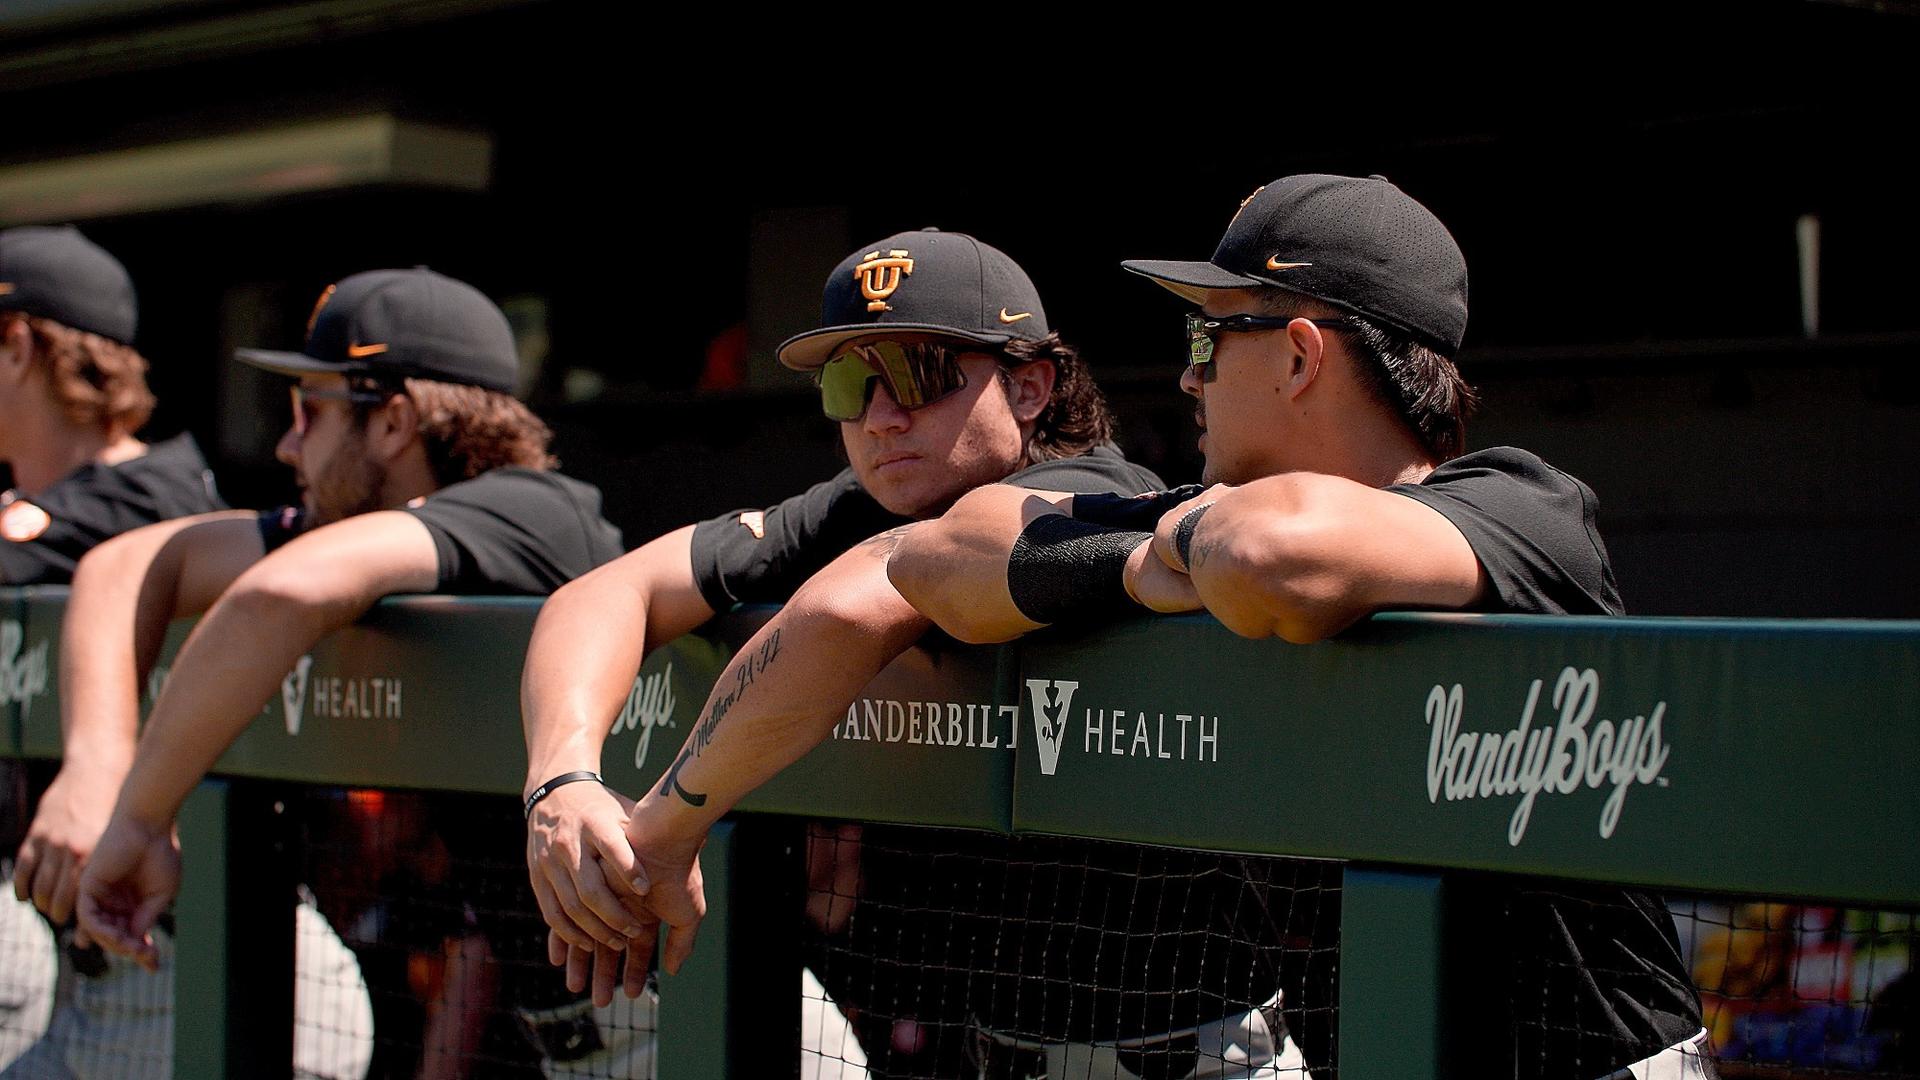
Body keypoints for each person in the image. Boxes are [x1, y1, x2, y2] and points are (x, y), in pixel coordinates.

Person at [887, 174, 1712, 1078]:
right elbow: (936, 558)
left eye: (1208, 336)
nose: (1186, 374)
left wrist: (1167, 542)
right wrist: (1134, 564)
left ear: (1299, 358)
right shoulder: (1202, 519)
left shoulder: (1525, 507)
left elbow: (1276, 553)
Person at [517, 228, 1161, 1072]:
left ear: (1031, 386)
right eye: (852, 383)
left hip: (1185, 1049)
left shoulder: (1092, 492)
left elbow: (847, 610)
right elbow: (604, 592)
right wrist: (561, 783)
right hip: (991, 1042)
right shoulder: (862, 505)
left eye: (922, 375)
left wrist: (660, 836)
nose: (882, 417)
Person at [61, 267, 625, 1077]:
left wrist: (138, 821)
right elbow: (133, 563)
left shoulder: (534, 509)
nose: (287, 444)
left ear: (393, 423)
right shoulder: (391, 530)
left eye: (309, 411)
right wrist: (94, 769)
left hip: (714, 1022)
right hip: (586, 1037)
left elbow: (281, 591)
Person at [1, 223, 225, 1078]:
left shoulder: (156, 491)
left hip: (191, 953)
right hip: (93, 963)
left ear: (18, 344)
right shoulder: (43, 501)